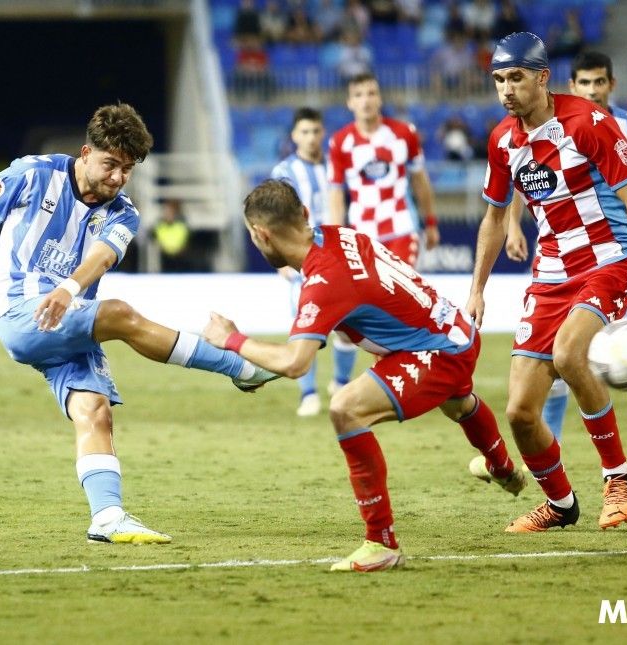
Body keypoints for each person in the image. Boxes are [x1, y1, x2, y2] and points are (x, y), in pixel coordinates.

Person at [0, 104, 277, 546]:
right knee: (121, 314)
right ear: (86, 153)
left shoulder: (124, 213)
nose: (118, 178)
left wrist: (68, 289)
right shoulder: (33, 173)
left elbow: (102, 256)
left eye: (128, 169)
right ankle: (238, 366)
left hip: (70, 320)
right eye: (111, 165)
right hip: (21, 314)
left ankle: (107, 516)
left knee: (95, 412)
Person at [203, 179, 527, 572]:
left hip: (439, 349)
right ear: (305, 215)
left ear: (261, 234)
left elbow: (295, 363)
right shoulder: (338, 237)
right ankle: (504, 469)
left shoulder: (324, 281)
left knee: (346, 409)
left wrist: (232, 339)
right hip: (445, 329)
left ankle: (382, 542)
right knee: (458, 402)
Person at [468, 33, 627, 533]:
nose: (506, 90)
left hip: (608, 261)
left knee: (570, 355)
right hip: (550, 274)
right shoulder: (501, 141)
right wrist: (476, 289)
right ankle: (560, 504)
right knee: (519, 412)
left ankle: (619, 478)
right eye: (498, 80)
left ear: (542, 76)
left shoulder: (589, 122)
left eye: (516, 78)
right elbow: (492, 219)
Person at [504, 50, 627, 473]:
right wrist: (512, 225)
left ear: (611, 84)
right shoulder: (536, 129)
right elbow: (518, 177)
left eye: (599, 83)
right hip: (561, 263)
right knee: (557, 359)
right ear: (571, 86)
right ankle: (552, 450)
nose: (592, 90)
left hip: (618, 254)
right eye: (584, 83)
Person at [272, 107, 358, 417]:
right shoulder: (284, 171)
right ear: (295, 136)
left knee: (349, 327)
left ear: (323, 134)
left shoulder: (336, 168)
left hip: (337, 256)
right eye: (304, 132)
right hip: (303, 262)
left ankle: (341, 383)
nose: (310, 138)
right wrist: (281, 259)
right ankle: (308, 394)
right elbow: (274, 217)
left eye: (315, 131)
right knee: (305, 327)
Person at [327, 72, 440, 268]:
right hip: (361, 234)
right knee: (369, 298)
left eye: (371, 93)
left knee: (399, 294)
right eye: (358, 95)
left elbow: (420, 181)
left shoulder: (404, 134)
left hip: (402, 228)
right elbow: (336, 195)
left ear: (379, 99)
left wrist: (430, 222)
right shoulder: (339, 142)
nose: (365, 100)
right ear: (350, 103)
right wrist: (336, 236)